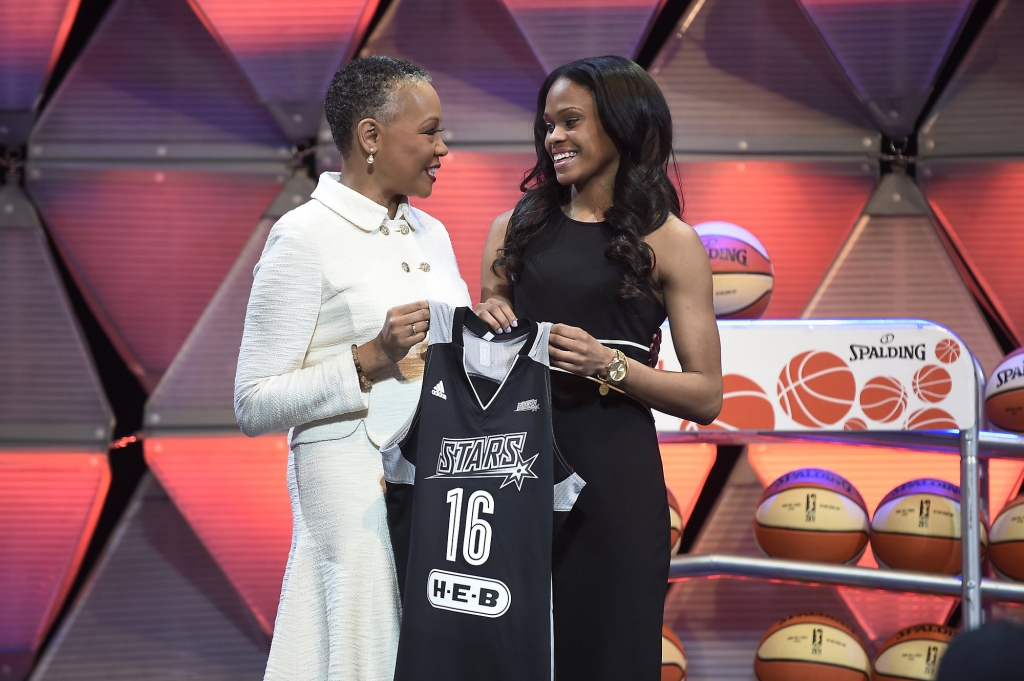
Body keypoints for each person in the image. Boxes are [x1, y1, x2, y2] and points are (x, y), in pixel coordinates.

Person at [477, 55, 723, 680]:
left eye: (570, 121)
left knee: (610, 657)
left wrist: (608, 364)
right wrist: (491, 315)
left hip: (614, 479)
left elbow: (705, 395)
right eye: (547, 125)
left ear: (620, 125)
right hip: (509, 471)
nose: (553, 137)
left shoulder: (671, 241)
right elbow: (484, 343)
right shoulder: (512, 229)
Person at [234, 56, 471, 681]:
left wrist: (485, 329)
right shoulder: (303, 235)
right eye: (430, 132)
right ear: (370, 137)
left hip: (445, 484)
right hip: (353, 490)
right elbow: (254, 401)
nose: (442, 148)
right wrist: (368, 359)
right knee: (365, 655)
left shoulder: (434, 234)